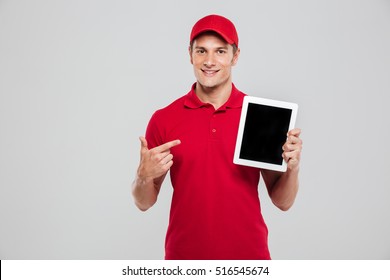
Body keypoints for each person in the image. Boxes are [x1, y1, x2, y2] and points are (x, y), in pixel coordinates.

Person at [131, 14, 303, 260]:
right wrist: (142, 177)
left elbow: (283, 202)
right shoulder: (164, 119)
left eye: (220, 51)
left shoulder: (260, 117)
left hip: (248, 260)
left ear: (235, 56)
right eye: (201, 51)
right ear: (190, 54)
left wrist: (293, 168)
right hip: (184, 260)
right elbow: (144, 202)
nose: (209, 61)